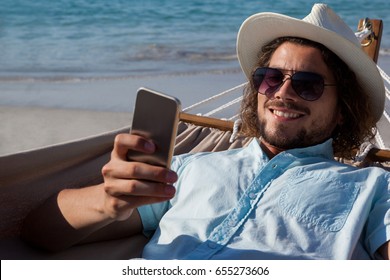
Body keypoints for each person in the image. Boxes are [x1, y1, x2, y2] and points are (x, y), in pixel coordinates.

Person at [21, 4, 389, 259]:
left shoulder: (373, 189)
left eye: (306, 84)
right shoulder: (184, 170)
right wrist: (108, 200)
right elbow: (39, 233)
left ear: (343, 111)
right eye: (270, 78)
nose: (282, 92)